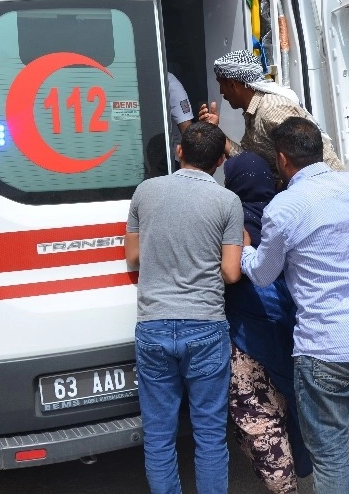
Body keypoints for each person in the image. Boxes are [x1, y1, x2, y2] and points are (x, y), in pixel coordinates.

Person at [240, 117, 349, 494]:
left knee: (329, 454)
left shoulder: (284, 208)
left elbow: (263, 275)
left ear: (282, 159)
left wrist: (245, 249)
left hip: (325, 350)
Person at [125, 121, 244, 494]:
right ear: (221, 161)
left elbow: (132, 257)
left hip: (154, 324)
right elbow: (230, 274)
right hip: (206, 326)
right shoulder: (227, 201)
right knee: (210, 435)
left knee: (159, 436)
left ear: (179, 153)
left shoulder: (145, 191)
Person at [223, 152, 312, 493]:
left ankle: (284, 485)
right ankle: (302, 466)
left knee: (258, 416)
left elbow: (230, 274)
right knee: (297, 405)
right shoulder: (289, 212)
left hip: (249, 336)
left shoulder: (231, 221)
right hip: (295, 327)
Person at [197, 49, 342, 185]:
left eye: (221, 85)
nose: (222, 92)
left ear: (232, 84)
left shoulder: (271, 109)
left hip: (324, 186)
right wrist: (215, 131)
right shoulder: (254, 112)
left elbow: (306, 160)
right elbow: (250, 163)